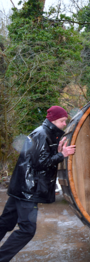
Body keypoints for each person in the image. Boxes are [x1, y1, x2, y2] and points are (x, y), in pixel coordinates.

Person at [0, 106, 76, 262]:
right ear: (54, 120)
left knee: (5, 222)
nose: (64, 124)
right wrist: (62, 154)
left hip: (21, 187)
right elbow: (40, 163)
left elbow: (40, 158)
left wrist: (58, 151)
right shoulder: (42, 134)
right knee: (27, 230)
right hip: (28, 190)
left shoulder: (45, 133)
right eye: (62, 121)